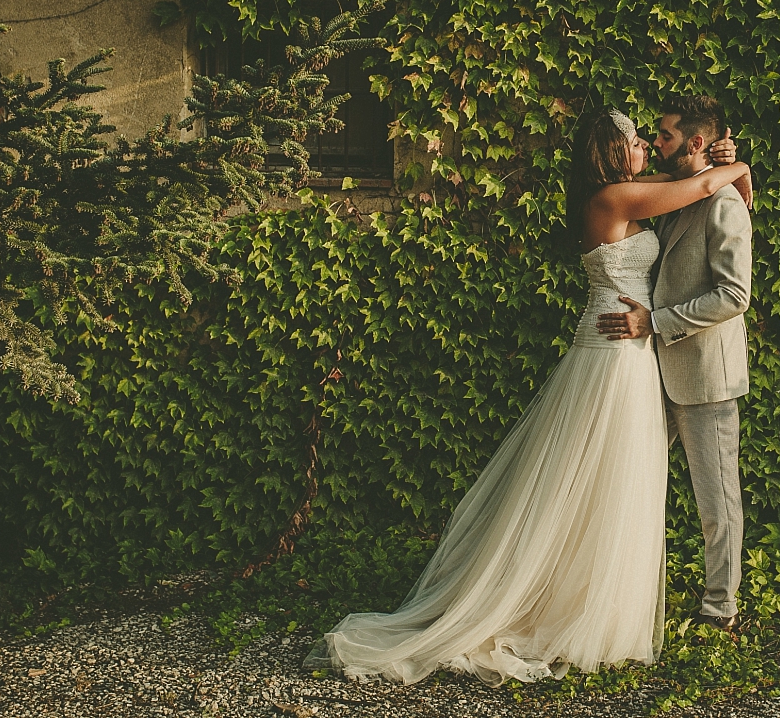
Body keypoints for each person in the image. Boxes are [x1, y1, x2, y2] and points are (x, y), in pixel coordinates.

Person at [305, 108, 752, 686]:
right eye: (638, 140)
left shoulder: (640, 193)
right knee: (600, 479)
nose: (648, 144)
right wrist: (738, 162)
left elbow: (704, 198)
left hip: (645, 354)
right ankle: (566, 603)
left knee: (623, 481)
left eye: (654, 137)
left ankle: (629, 600)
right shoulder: (614, 200)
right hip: (617, 351)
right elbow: (697, 183)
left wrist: (734, 171)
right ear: (614, 155)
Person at [596, 95, 752, 632]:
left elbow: (734, 295)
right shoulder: (664, 193)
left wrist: (656, 322)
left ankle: (720, 609)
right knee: (631, 486)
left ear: (697, 143)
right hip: (644, 371)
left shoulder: (724, 203)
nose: (655, 142)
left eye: (663, 136)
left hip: (704, 373)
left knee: (716, 501)